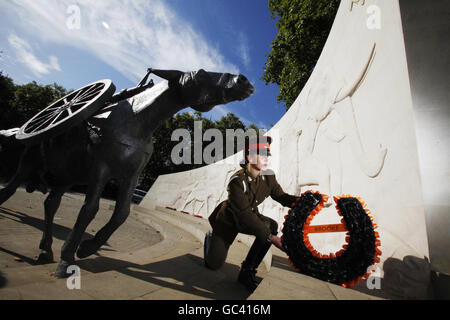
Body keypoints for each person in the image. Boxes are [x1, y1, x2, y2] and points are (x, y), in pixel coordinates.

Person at [204, 135, 298, 292]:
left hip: (248, 217)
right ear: (249, 156)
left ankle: (247, 271)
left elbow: (281, 196)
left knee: (271, 226)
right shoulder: (236, 181)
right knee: (213, 264)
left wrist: (301, 201)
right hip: (227, 221)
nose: (267, 157)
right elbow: (244, 214)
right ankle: (210, 242)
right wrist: (272, 238)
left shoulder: (268, 177)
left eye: (268, 154)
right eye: (262, 153)